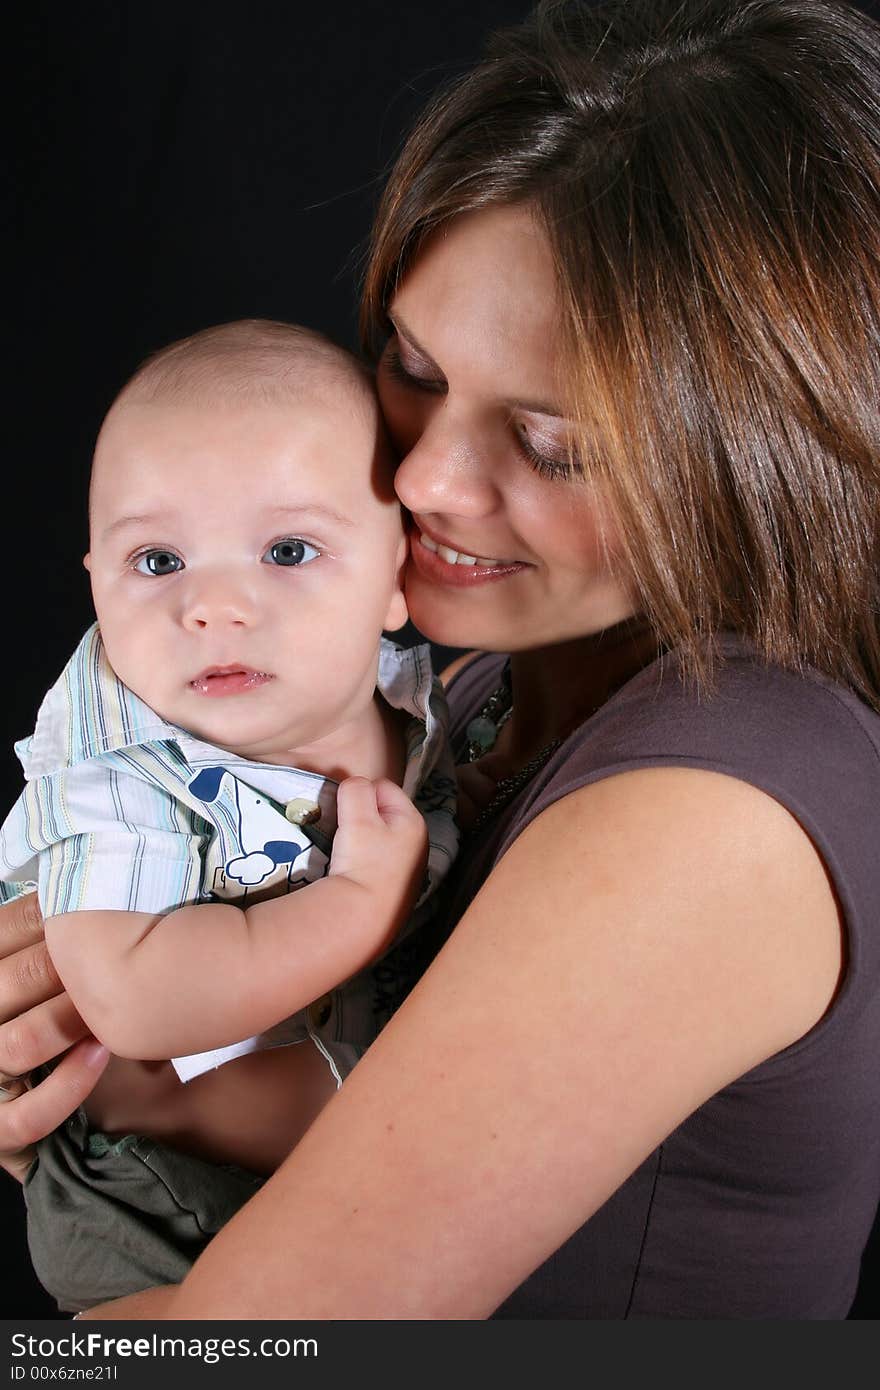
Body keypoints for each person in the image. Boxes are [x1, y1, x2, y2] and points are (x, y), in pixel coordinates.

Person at [2, 0, 880, 1320]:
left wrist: (126, 1086)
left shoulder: (718, 804)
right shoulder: (460, 692)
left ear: (756, 460)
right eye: (412, 366)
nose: (420, 475)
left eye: (556, 444)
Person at [0, 318, 457, 1312]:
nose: (212, 605)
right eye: (157, 562)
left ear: (396, 573)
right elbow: (132, 998)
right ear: (95, 583)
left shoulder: (425, 709)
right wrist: (356, 903)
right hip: (166, 1212)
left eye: (287, 549)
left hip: (358, 1213)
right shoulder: (118, 778)